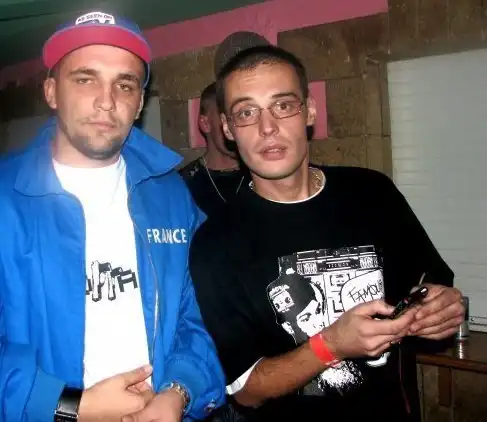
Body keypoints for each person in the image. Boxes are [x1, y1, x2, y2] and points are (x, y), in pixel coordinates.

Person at [189, 45, 465, 421]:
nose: (267, 128)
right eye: (247, 112)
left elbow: (430, 284)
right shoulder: (215, 243)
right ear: (227, 128)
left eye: (283, 105)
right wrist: (331, 344)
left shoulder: (373, 193)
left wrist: (442, 307)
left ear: (310, 111)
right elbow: (247, 391)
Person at [0, 11, 225, 422]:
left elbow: (200, 315)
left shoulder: (171, 196)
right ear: (51, 91)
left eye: (124, 85)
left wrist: (178, 393)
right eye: (85, 79)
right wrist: (70, 406)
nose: (107, 101)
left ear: (139, 102)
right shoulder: (6, 199)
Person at [179, 83, 246, 217]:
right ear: (205, 123)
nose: (234, 128)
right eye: (225, 117)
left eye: (242, 115)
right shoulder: (182, 184)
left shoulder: (263, 175)